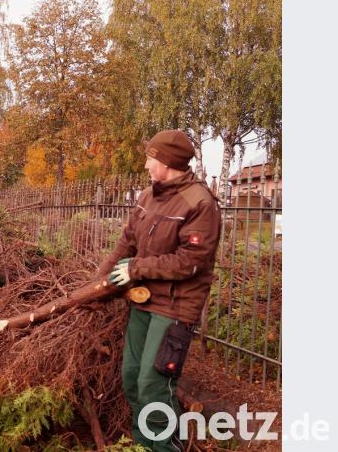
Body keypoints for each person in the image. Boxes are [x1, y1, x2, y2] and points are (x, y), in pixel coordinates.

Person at [97, 130, 221, 451]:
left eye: (151, 157)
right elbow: (127, 241)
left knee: (154, 385)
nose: (147, 164)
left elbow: (190, 261)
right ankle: (144, 446)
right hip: (145, 300)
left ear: (166, 162)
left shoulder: (200, 203)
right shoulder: (148, 196)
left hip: (176, 307)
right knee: (132, 377)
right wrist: (99, 280)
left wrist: (137, 269)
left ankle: (163, 448)